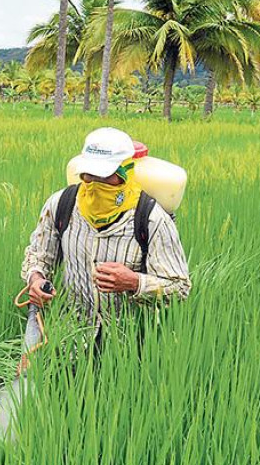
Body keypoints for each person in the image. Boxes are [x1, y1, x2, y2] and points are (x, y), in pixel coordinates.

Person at [20, 127, 191, 333]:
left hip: (130, 341)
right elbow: (38, 256)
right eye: (88, 175)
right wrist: (36, 279)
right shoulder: (61, 204)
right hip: (71, 336)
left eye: (104, 176)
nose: (94, 183)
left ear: (124, 173)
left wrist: (134, 282)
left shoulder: (151, 218)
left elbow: (179, 288)